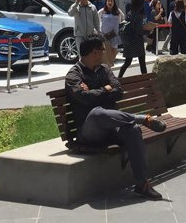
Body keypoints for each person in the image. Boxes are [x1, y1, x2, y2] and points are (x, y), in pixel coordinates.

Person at [65, 35, 167, 200]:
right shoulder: (74, 75)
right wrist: (106, 89)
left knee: (133, 130)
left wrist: (96, 91)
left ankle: (142, 184)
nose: (104, 52)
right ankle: (142, 119)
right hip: (90, 131)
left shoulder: (105, 69)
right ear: (94, 52)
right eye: (102, 49)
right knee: (97, 113)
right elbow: (84, 98)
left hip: (112, 127)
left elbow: (118, 91)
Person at [118, 0, 153, 78]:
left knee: (127, 62)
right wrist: (148, 32)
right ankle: (145, 80)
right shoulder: (138, 15)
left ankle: (119, 78)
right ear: (139, 5)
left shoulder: (129, 13)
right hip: (137, 41)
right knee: (142, 61)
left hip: (128, 40)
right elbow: (138, 30)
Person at [98, 0, 124, 67]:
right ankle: (108, 66)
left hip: (114, 35)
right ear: (106, 2)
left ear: (114, 2)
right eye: (108, 1)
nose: (110, 2)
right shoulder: (102, 11)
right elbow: (97, 19)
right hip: (105, 35)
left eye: (111, 1)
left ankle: (109, 64)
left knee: (114, 52)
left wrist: (118, 24)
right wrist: (99, 30)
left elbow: (123, 17)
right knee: (107, 52)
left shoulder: (117, 11)